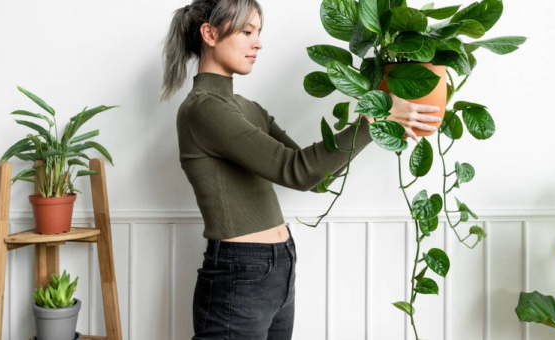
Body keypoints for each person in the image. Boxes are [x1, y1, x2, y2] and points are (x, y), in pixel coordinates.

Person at [160, 0, 442, 338]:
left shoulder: (248, 109)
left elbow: (315, 177)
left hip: (278, 267)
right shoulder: (204, 109)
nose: (258, 42)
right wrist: (370, 121)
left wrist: (380, 121)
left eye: (259, 32)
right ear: (209, 33)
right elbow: (298, 170)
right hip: (240, 271)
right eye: (247, 31)